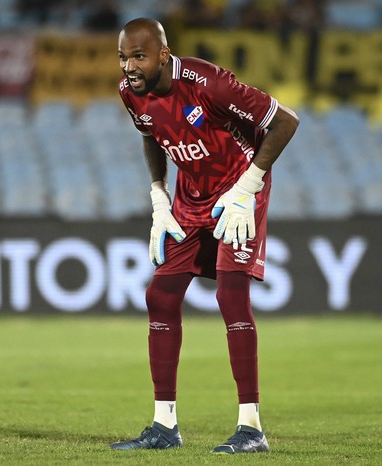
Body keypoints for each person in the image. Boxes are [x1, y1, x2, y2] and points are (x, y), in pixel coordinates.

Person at [110, 18, 299, 454]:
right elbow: (151, 137)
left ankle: (252, 428)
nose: (129, 67)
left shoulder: (209, 84)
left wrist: (248, 187)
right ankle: (163, 427)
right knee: (160, 295)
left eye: (138, 56)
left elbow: (286, 122)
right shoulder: (130, 94)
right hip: (189, 197)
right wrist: (158, 197)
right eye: (122, 57)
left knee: (231, 296)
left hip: (238, 190)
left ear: (163, 53)